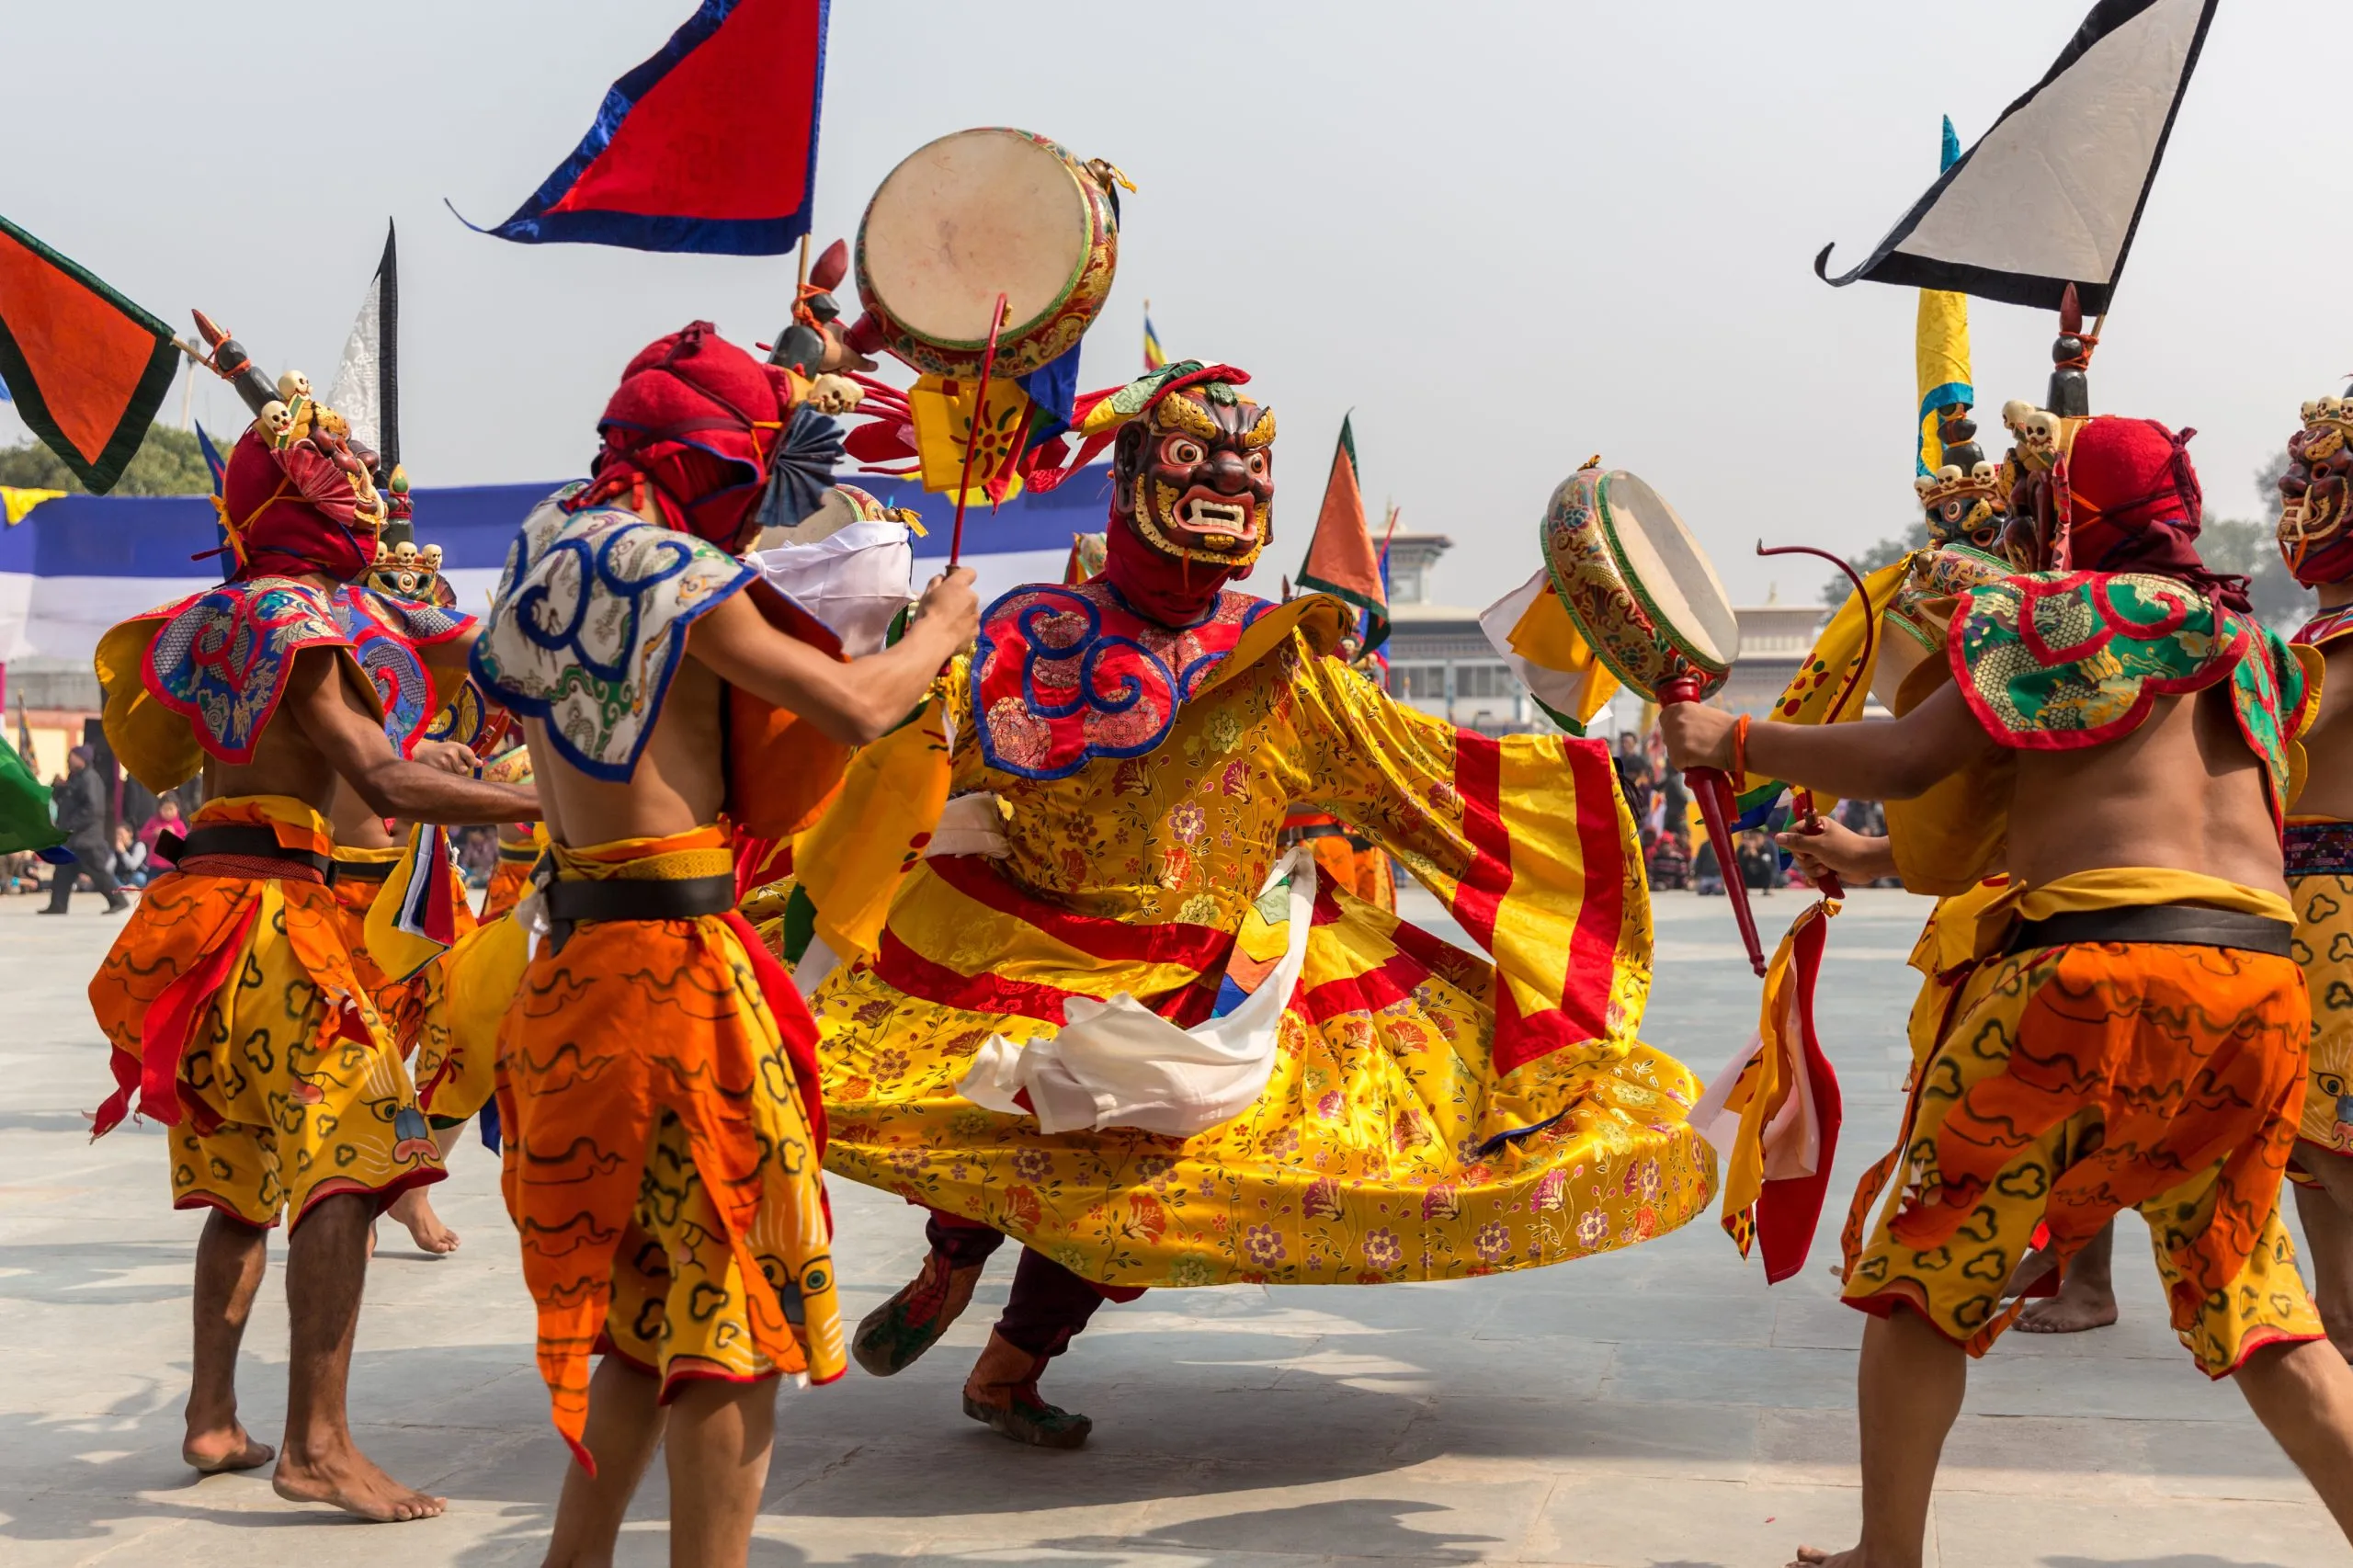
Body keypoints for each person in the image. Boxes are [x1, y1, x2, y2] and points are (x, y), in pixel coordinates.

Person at [805, 360, 1714, 1449]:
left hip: (1207, 981)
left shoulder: (1287, 658)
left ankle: (1008, 1362)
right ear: (1137, 470)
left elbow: (1415, 774)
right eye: (1195, 452)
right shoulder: (1022, 636)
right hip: (1033, 941)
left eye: (1251, 459)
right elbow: (903, 756)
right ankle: (949, 1263)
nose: (1229, 475)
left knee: (1133, 1171)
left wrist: (1593, 776)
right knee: (1006, 1124)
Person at [1664, 409, 2353, 1567]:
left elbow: (1908, 762)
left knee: (1922, 1276)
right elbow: (2120, 810)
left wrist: (1730, 736)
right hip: (2257, 985)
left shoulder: (2054, 616)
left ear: (2066, 515)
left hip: (2086, 979)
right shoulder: (2263, 652)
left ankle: (1889, 1556)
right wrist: (1885, 861)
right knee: (2260, 1306)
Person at [471, 322, 948, 1568]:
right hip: (675, 986)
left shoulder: (537, 551)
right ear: (710, 466)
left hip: (566, 971)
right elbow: (852, 703)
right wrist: (940, 624)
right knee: (736, 1306)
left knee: (641, 1304)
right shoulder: (681, 577)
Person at [85, 383, 539, 1523]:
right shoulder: (298, 617)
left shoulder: (222, 612)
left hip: (212, 912)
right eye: (357, 493)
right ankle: (316, 1445)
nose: (374, 510)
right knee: (353, 1160)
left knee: (243, 1179)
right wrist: (538, 804)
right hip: (279, 920)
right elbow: (378, 779)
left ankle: (212, 1415)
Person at [2272, 385, 2353, 1358]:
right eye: (2297, 481)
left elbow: (2272, 723)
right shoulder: (2312, 639)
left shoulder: (2340, 643)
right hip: (2297, 897)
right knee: (2311, 1138)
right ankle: (2337, 1313)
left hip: (2333, 900)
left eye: (2321, 481)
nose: (2301, 504)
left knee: (2336, 1124)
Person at [41, 746, 127, 914]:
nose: (68, 760)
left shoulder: (90, 778)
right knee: (63, 870)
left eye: (71, 757)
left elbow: (92, 808)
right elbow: (66, 800)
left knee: (98, 872)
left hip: (86, 837)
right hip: (74, 838)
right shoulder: (76, 778)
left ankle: (118, 899)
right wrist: (57, 787)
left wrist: (71, 824)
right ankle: (57, 905)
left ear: (82, 759)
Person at [137, 794, 183, 873]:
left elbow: (185, 842)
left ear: (177, 809)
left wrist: (174, 834)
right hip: (155, 863)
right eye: (165, 809)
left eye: (171, 809)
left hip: (172, 864)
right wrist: (153, 833)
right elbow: (141, 836)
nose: (168, 812)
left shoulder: (179, 824)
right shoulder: (153, 821)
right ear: (159, 809)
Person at [109, 822, 150, 888]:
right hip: (121, 877)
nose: (118, 837)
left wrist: (123, 852)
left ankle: (126, 888)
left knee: (140, 878)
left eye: (121, 834)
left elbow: (133, 866)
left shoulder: (139, 846)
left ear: (130, 834)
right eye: (116, 834)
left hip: (135, 875)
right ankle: (125, 888)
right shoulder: (115, 848)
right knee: (109, 879)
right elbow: (109, 868)